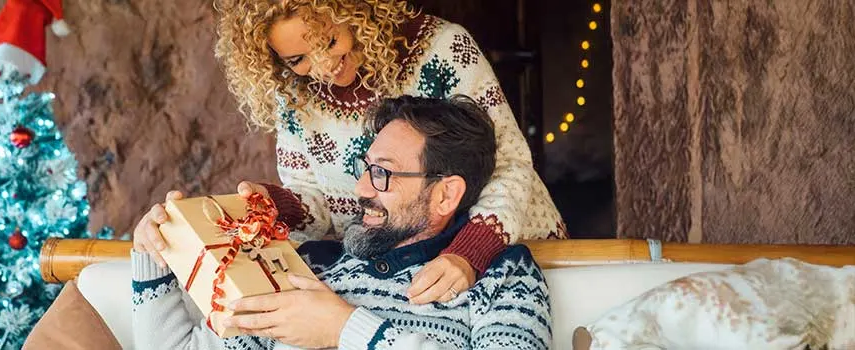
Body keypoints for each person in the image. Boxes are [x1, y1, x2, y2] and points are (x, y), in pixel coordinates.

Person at [133, 0, 565, 304]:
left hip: (506, 253)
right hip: (395, 271)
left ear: (353, 11)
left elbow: (509, 165)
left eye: (328, 42)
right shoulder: (295, 96)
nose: (321, 68)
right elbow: (317, 205)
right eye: (298, 59)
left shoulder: (443, 48)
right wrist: (271, 206)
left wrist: (468, 253)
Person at [131, 95, 552, 349]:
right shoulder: (309, 265)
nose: (360, 189)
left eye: (382, 173)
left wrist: (343, 328)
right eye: (365, 168)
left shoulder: (502, 276)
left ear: (446, 194)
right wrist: (153, 257)